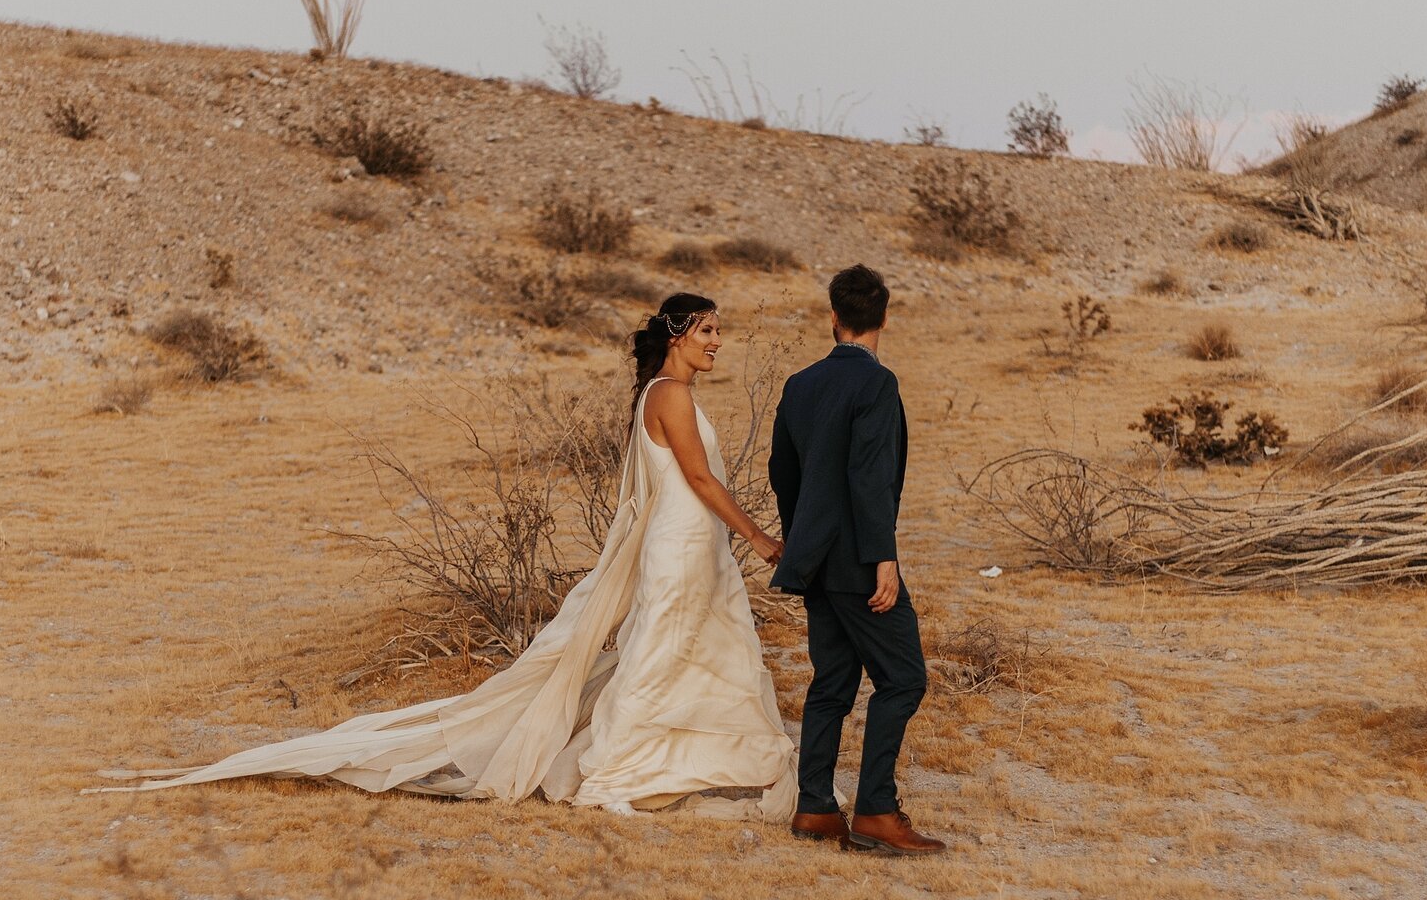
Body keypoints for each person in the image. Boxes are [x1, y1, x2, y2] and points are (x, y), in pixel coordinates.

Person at [97, 294, 798, 818]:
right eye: (707, 331)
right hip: (682, 540)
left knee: (698, 646)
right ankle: (620, 766)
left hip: (696, 540)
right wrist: (763, 539)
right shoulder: (670, 394)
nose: (717, 343)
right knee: (662, 652)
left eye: (717, 332)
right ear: (677, 335)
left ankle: (692, 755)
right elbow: (701, 479)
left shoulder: (667, 391)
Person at [767, 264, 945, 855]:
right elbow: (869, 478)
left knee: (832, 683)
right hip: (859, 563)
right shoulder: (877, 384)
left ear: (834, 318)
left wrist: (801, 541)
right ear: (884, 318)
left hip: (814, 558)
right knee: (904, 678)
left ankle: (815, 807)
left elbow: (782, 474)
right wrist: (883, 559)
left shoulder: (799, 385)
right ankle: (874, 811)